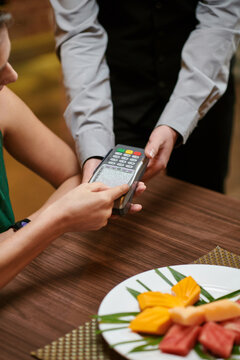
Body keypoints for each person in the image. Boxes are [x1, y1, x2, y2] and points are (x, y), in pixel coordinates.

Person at [0, 11, 145, 289]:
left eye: (8, 60)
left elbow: (72, 176)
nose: (13, 75)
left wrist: (22, 231)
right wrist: (57, 220)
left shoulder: (2, 101)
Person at [49, 0, 240, 192]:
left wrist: (178, 118)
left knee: (203, 195)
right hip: (117, 92)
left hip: (204, 86)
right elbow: (80, 34)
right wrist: (94, 149)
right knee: (115, 199)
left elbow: (221, 20)